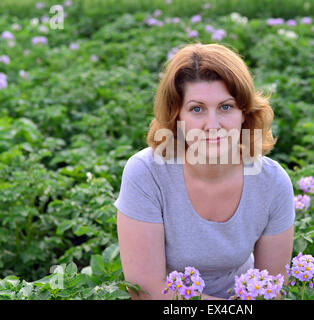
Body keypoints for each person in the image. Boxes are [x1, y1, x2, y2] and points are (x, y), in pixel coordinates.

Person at [114, 43, 295, 300]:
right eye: (197, 109)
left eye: (226, 107)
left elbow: (272, 291)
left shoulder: (272, 183)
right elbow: (147, 292)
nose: (212, 125)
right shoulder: (146, 173)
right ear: (177, 116)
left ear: (244, 112)